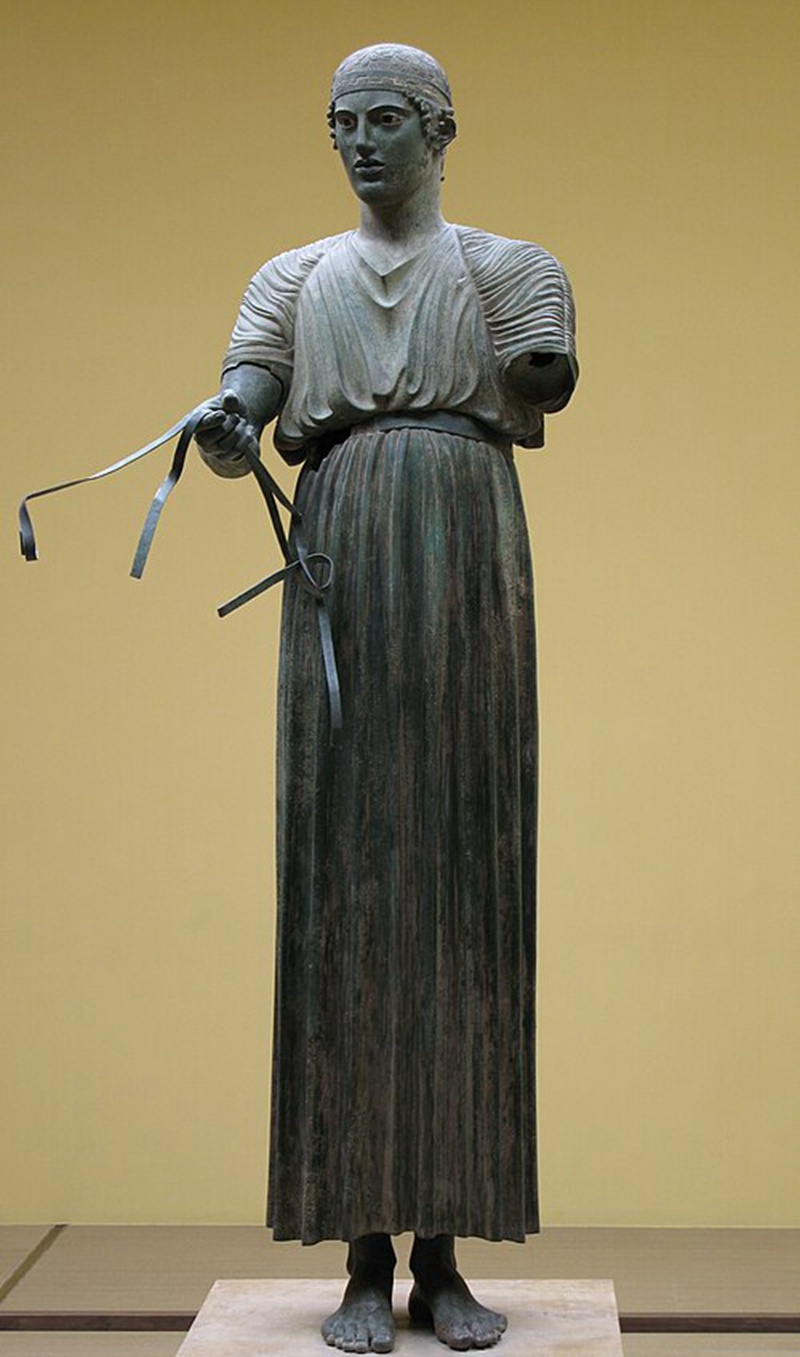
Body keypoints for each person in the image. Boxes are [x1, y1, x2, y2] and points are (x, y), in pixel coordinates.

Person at [196, 43, 577, 1354]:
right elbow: (249, 394)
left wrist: (537, 369)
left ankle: (444, 1256)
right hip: (345, 553)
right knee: (348, 892)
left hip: (466, 550)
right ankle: (363, 1253)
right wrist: (226, 422)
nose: (360, 143)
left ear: (440, 130)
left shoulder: (511, 269)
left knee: (462, 882)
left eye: (385, 121)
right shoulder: (292, 279)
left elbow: (546, 366)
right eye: (342, 123)